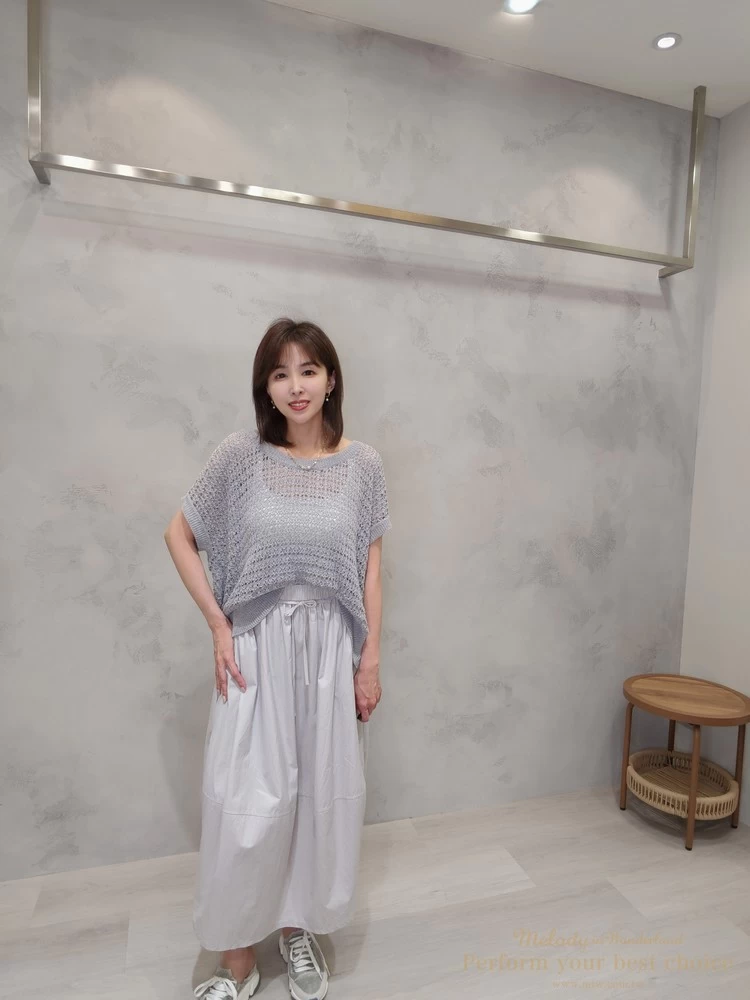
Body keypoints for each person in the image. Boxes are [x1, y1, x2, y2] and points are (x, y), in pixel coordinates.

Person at [164, 317, 392, 1000]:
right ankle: (237, 957)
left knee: (317, 795)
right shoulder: (242, 457)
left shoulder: (364, 465)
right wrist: (218, 624)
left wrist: (370, 658)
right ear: (266, 386)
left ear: (331, 379)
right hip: (257, 645)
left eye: (309, 370)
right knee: (246, 802)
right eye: (280, 372)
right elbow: (178, 534)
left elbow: (371, 569)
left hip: (330, 650)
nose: (296, 385)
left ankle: (297, 930)